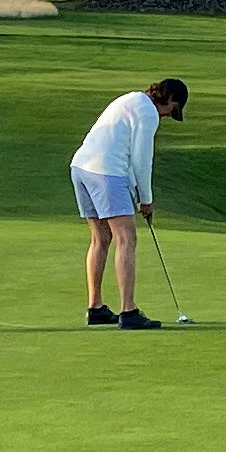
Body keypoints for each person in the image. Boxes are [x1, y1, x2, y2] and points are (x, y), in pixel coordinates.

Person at [72, 75, 186, 328]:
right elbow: (142, 160)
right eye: (172, 110)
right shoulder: (148, 114)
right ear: (169, 99)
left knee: (100, 239)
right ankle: (129, 312)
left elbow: (128, 154)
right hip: (106, 172)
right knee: (126, 238)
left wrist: (137, 192)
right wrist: (146, 200)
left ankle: (96, 307)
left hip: (81, 167)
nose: (168, 116)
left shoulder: (131, 99)